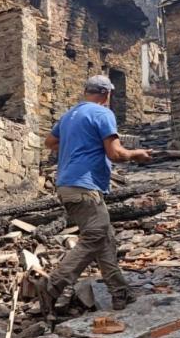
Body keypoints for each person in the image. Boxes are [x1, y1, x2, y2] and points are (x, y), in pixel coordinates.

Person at [42, 75, 151, 314]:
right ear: (107, 94)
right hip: (85, 187)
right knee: (95, 236)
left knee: (105, 239)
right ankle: (54, 283)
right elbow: (115, 154)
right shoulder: (103, 114)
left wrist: (78, 145)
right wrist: (137, 154)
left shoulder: (70, 115)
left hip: (67, 186)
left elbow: (50, 142)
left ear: (87, 91)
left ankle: (120, 294)